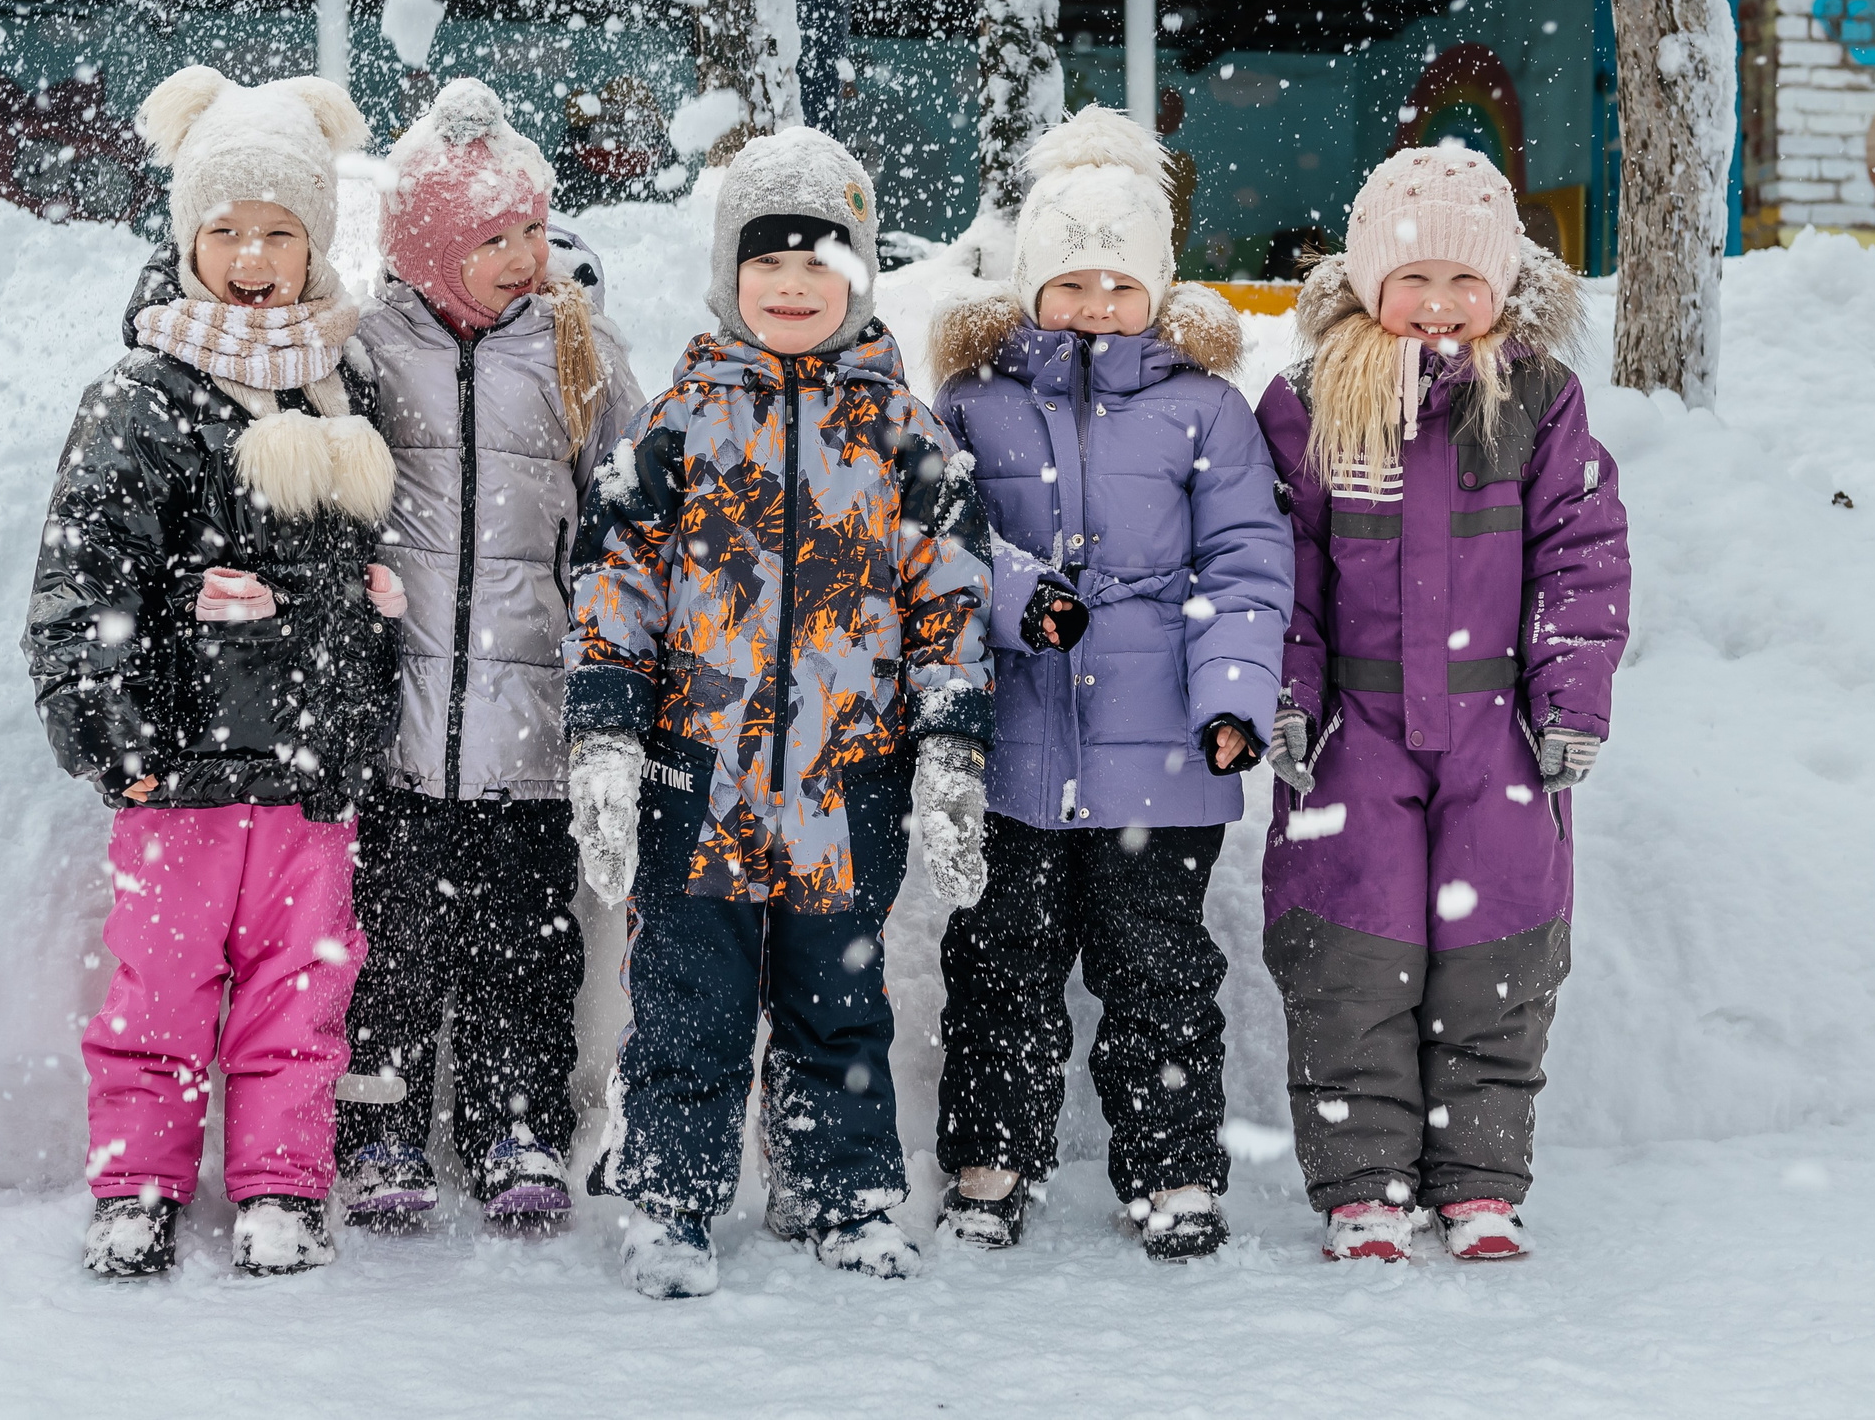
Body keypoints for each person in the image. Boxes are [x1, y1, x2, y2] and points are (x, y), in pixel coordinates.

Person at [562, 128, 995, 1300]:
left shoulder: (909, 436)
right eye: (769, 261)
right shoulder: (676, 426)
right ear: (727, 274)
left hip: (849, 775)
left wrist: (951, 744)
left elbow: (950, 597)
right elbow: (615, 588)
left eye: (822, 261)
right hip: (696, 773)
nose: (795, 284)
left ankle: (839, 1190)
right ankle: (667, 1199)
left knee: (838, 999)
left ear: (858, 273)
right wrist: (604, 731)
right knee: (687, 1007)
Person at [24, 66, 401, 1279]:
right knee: (160, 990)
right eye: (226, 228)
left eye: (280, 231)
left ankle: (283, 1181)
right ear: (187, 237)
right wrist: (108, 719)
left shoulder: (345, 385)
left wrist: (369, 642)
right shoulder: (142, 395)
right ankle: (136, 1180)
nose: (252, 254)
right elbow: (85, 573)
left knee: (303, 995)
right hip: (180, 766)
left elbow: (369, 566)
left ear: (317, 240)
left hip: (311, 767)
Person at [924, 107, 1293, 1260]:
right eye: (1071, 281)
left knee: (1159, 974)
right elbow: (940, 543)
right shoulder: (976, 404)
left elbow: (1246, 563)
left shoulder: (1206, 409)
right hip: (1019, 748)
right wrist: (1015, 597)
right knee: (1001, 966)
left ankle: (1174, 1167)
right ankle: (992, 1157)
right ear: (1030, 285)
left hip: (1162, 759)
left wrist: (1229, 696)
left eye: (1119, 283)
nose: (1095, 305)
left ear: (1159, 290)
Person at [1253, 146, 1630, 1262]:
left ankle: (1475, 1179)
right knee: (1350, 951)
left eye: (1466, 280)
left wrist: (1568, 696)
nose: (1438, 304)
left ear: (1504, 287)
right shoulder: (1311, 400)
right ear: (1368, 281)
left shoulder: (1537, 401)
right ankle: (1362, 1181)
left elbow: (1581, 552)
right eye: (1412, 277)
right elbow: (1277, 564)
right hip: (1353, 730)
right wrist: (1290, 693)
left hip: (1496, 726)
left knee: (1495, 951)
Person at [334, 79, 643, 1226]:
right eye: (493, 239)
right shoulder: (365, 352)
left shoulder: (578, 349)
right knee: (393, 947)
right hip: (403, 719)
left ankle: (518, 1122)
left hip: (530, 717)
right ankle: (379, 1128)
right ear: (424, 247)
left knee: (526, 938)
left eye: (530, 231)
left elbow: (627, 509)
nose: (524, 255)